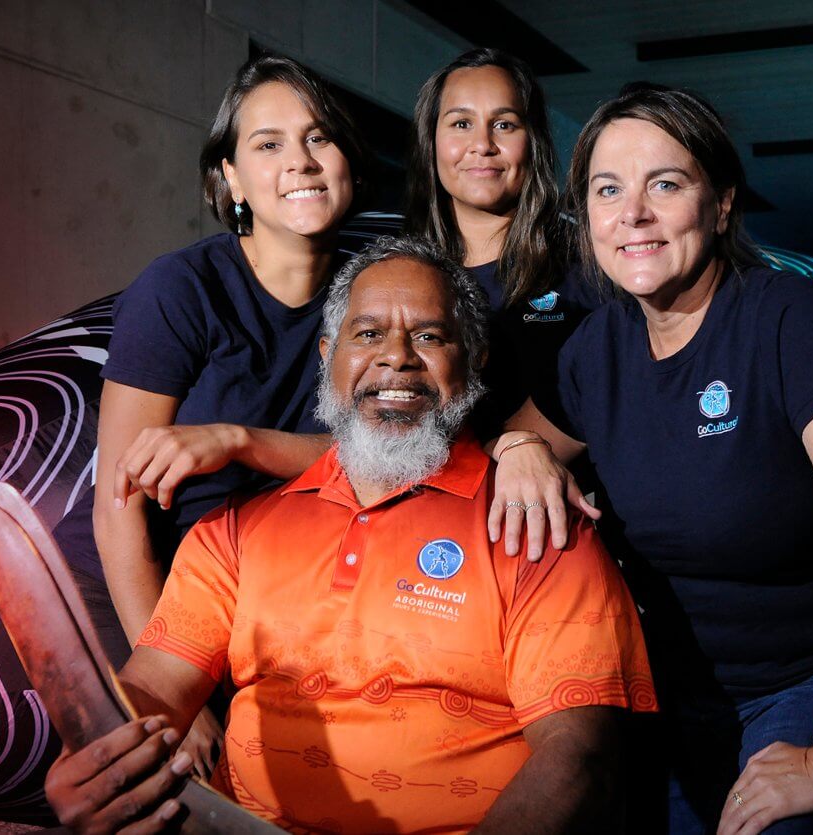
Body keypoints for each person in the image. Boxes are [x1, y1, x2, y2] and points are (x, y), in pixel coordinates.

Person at [43, 237, 656, 834]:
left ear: (474, 359)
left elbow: (580, 756)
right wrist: (99, 755)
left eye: (429, 335)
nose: (396, 356)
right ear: (328, 354)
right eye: (368, 334)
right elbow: (155, 685)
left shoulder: (535, 526)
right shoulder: (234, 530)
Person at [488, 84, 813, 835]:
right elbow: (510, 438)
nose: (633, 212)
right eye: (609, 189)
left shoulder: (788, 319)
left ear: (722, 204)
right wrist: (521, 446)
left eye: (664, 184)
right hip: (672, 696)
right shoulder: (595, 352)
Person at [49, 54, 370, 775]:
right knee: (171, 777)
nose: (301, 161)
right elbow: (117, 504)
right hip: (154, 580)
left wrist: (239, 441)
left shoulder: (373, 287)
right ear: (230, 179)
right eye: (268, 144)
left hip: (293, 576)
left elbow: (385, 458)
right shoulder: (179, 290)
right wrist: (169, 682)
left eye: (320, 137)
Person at [405, 49, 604, 479]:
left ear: (532, 140)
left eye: (504, 124)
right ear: (431, 140)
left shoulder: (590, 263)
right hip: (434, 510)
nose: (482, 144)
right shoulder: (403, 274)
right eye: (461, 123)